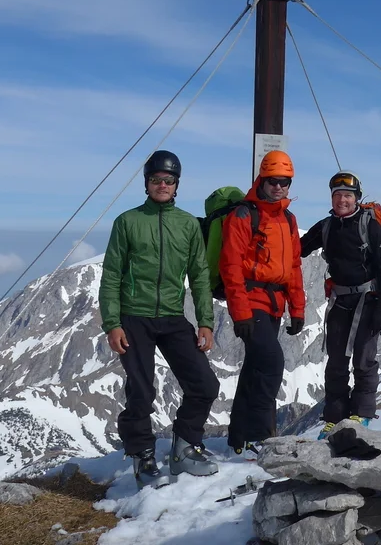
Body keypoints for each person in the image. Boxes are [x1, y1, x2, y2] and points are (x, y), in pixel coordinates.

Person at [99, 149, 220, 489]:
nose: (162, 185)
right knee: (141, 390)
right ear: (147, 183)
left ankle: (183, 448)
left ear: (177, 184)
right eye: (156, 180)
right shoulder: (127, 222)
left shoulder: (188, 224)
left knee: (205, 385)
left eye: (169, 180)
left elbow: (198, 275)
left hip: (171, 316)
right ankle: (142, 456)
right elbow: (111, 276)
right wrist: (112, 323)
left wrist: (205, 322)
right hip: (133, 317)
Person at [217, 149, 307, 456]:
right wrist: (240, 312)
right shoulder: (243, 215)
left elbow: (293, 266)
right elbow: (230, 266)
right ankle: (260, 435)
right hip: (251, 301)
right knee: (271, 363)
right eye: (273, 181)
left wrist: (297, 309)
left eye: (285, 182)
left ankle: (238, 436)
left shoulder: (288, 219)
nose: (280, 187)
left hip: (275, 304)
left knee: (255, 367)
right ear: (262, 180)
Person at [300, 171, 381, 438]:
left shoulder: (369, 225)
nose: (342, 200)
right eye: (338, 195)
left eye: (348, 196)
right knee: (336, 363)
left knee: (364, 360)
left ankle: (362, 414)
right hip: (340, 301)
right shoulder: (326, 227)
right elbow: (298, 248)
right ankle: (334, 417)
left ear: (357, 199)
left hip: (368, 299)